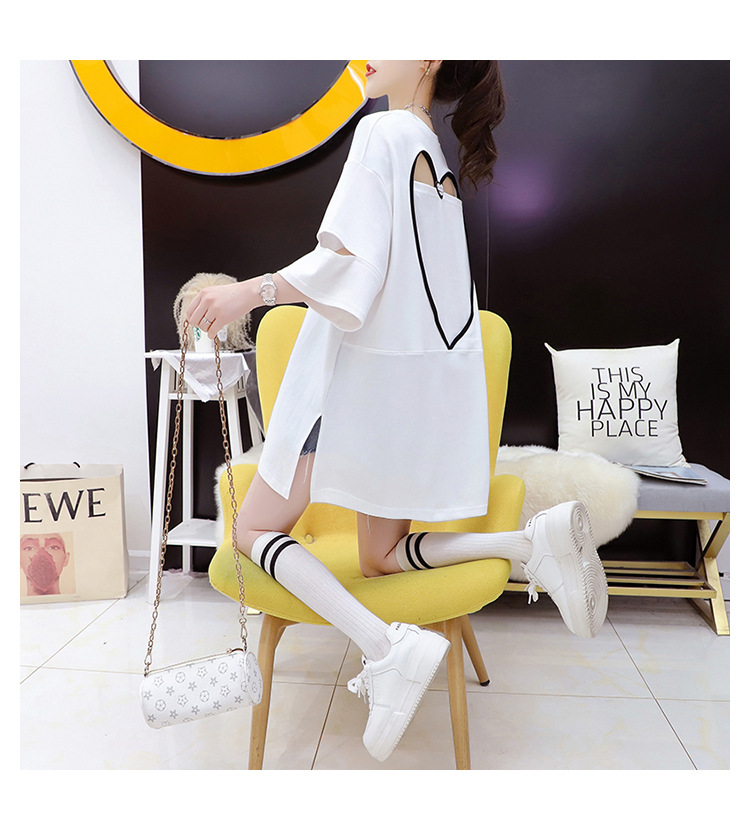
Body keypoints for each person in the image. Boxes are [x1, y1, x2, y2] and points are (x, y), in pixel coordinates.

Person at [186, 60, 608, 762]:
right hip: (409, 401)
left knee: (253, 530)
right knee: (380, 557)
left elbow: (351, 266)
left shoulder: (382, 134)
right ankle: (528, 544)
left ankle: (384, 647)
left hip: (352, 393)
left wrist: (247, 293)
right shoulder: (433, 158)